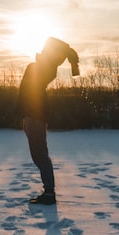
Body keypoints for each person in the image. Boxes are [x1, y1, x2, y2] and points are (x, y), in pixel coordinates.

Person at [16, 37, 79, 205]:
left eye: (46, 50)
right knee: (39, 154)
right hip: (32, 116)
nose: (42, 51)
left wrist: (68, 52)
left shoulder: (43, 68)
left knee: (40, 155)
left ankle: (49, 193)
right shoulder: (43, 68)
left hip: (35, 117)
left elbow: (53, 42)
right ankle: (49, 191)